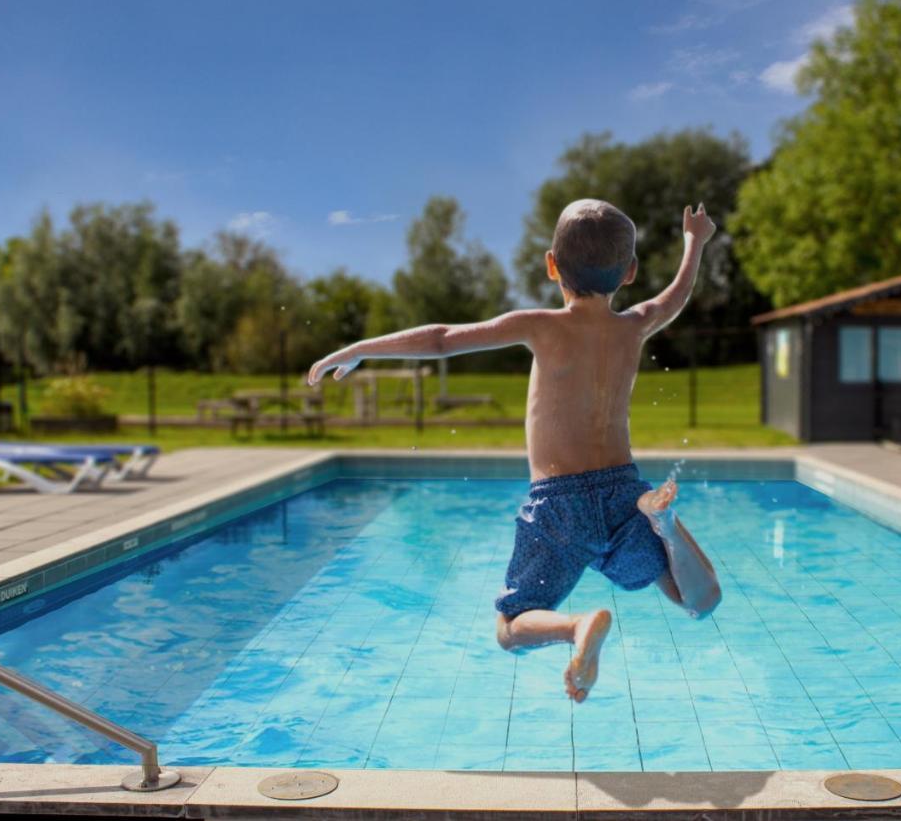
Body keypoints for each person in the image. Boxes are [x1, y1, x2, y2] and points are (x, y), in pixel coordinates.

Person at [308, 199, 722, 702]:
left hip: (559, 504)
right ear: (630, 271)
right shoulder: (633, 326)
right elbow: (675, 298)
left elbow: (442, 340)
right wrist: (694, 243)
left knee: (510, 626)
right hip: (624, 493)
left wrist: (359, 349)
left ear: (552, 265)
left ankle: (577, 626)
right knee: (697, 600)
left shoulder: (540, 326)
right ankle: (668, 526)